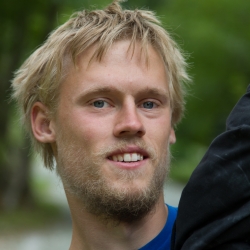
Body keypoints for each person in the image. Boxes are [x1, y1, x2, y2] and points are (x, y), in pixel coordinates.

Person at [11, 1, 190, 249]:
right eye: (99, 103)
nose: (132, 123)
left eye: (149, 104)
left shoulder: (226, 239)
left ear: (171, 123)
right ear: (44, 124)